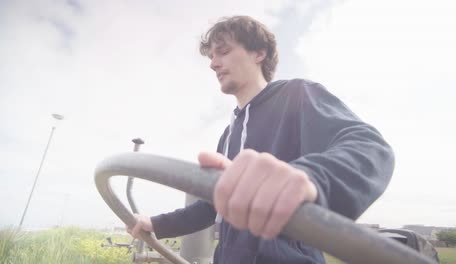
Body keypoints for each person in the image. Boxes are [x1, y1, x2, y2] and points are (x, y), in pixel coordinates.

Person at [128, 16, 394, 263]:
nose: (213, 63)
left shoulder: (297, 95)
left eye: (223, 51)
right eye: (211, 56)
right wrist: (157, 224)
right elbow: (213, 204)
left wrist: (310, 178)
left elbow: (370, 148)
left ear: (259, 53)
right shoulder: (228, 134)